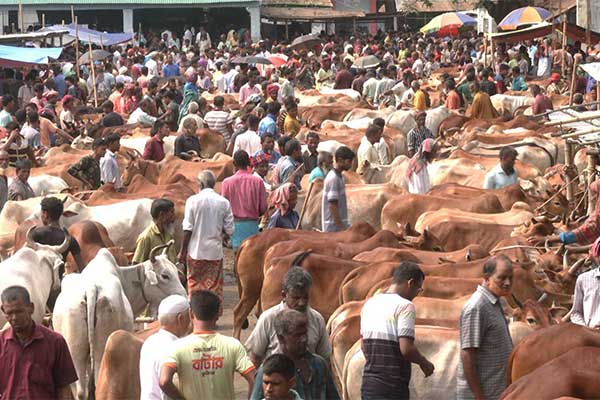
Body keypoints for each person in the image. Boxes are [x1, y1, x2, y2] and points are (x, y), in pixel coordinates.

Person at [159, 290, 256, 399]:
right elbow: (254, 379)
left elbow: (164, 381)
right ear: (218, 313)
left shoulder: (176, 347)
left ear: (191, 313)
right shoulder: (233, 345)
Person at [360, 262, 435, 399]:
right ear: (410, 283)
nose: (417, 294)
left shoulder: (369, 304)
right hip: (393, 386)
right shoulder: (405, 306)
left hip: (369, 384)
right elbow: (406, 348)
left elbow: (363, 346)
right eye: (419, 288)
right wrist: (424, 363)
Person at [0, 286, 78, 399]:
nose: (15, 317)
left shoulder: (55, 342)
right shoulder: (1, 344)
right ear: (3, 311)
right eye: (10, 313)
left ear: (31, 308)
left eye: (19, 311)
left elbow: (64, 389)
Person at [246, 266, 331, 365]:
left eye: (305, 297)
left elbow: (325, 358)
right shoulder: (268, 318)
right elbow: (254, 357)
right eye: (296, 298)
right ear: (284, 295)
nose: (301, 303)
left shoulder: (317, 319)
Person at [457, 255, 514, 400]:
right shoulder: (477, 307)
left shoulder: (496, 302)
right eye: (502, 278)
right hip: (483, 394)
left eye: (510, 278)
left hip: (495, 391)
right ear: (487, 278)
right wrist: (478, 395)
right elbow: (467, 354)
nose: (508, 283)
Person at [251, 309, 339, 400]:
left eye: (305, 334)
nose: (304, 339)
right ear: (281, 338)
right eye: (297, 335)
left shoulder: (319, 364)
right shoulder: (269, 370)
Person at [178, 171, 234, 303]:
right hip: (215, 253)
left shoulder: (192, 201)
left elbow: (187, 229)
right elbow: (230, 229)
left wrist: (182, 252)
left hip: (195, 252)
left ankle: (195, 313)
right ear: (213, 184)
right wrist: (221, 234)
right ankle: (213, 314)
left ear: (201, 184)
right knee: (214, 289)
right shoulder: (224, 202)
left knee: (194, 288)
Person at [139, 295, 190, 400]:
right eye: (189, 317)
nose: (190, 322)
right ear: (180, 319)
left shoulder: (149, 341)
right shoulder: (175, 347)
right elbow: (165, 383)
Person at [221, 150, 268, 251]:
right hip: (252, 226)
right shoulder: (258, 181)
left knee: (237, 255)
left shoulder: (226, 183)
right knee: (252, 256)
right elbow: (263, 208)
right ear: (248, 163)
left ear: (234, 163)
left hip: (234, 227)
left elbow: (223, 209)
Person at [30, 196, 84, 273]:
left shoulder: (35, 234)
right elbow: (82, 268)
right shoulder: (70, 239)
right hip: (59, 279)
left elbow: (23, 258)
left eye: (41, 213)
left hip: (38, 277)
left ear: (45, 214)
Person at [568, 236, 600, 328]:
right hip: (590, 333)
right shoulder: (583, 279)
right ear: (596, 256)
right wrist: (586, 329)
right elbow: (576, 313)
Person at [133, 198, 177, 264]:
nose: (174, 215)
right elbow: (137, 265)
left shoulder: (168, 236)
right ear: (161, 214)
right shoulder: (146, 237)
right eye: (172, 212)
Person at [322, 146, 354, 232]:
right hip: (333, 227)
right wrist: (342, 228)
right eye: (349, 161)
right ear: (340, 160)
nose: (351, 164)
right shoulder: (333, 178)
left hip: (338, 225)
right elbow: (332, 205)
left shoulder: (340, 177)